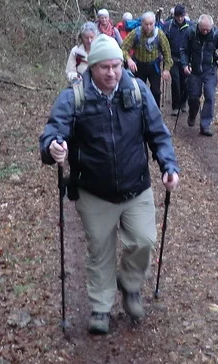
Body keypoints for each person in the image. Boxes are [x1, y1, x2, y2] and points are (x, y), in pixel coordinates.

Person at [40, 35, 180, 335]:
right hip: (94, 190)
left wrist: (169, 166)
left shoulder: (137, 91)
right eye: (104, 67)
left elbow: (159, 133)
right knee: (100, 249)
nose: (112, 73)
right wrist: (54, 147)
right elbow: (53, 132)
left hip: (136, 187)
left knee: (144, 240)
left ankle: (130, 285)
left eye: (116, 66)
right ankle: (101, 307)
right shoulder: (74, 97)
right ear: (91, 67)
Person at [180, 14, 218, 136]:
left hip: (210, 70)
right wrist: (185, 65)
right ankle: (192, 113)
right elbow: (183, 50)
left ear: (211, 26)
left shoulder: (216, 35)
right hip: (194, 71)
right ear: (198, 26)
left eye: (208, 29)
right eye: (203, 29)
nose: (205, 31)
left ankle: (205, 125)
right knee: (194, 97)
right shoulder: (191, 33)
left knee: (210, 96)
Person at [121, 11, 172, 107]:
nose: (148, 27)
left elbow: (167, 52)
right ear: (142, 23)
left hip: (154, 66)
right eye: (146, 24)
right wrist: (128, 59)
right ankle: (139, 110)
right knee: (138, 90)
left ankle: (155, 111)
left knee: (156, 92)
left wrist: (166, 69)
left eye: (151, 24)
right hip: (138, 66)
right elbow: (123, 48)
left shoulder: (159, 34)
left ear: (154, 23)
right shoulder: (135, 33)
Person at [160, 4, 193, 117]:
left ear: (184, 15)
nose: (180, 18)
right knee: (176, 81)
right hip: (172, 57)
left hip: (186, 59)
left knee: (186, 82)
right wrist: (164, 58)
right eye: (178, 16)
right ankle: (176, 106)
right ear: (174, 16)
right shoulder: (168, 26)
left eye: (181, 16)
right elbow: (164, 41)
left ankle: (184, 102)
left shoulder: (190, 26)